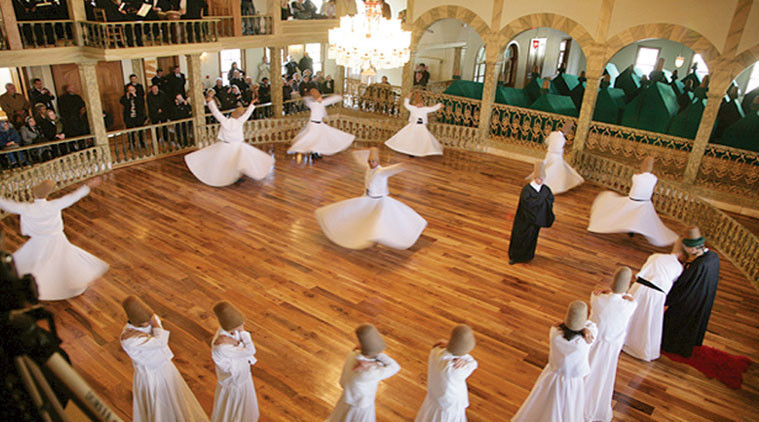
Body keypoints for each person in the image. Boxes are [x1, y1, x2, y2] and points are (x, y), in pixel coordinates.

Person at [0, 178, 108, 300]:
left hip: (38, 241)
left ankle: (43, 284)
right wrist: (87, 187)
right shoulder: (54, 205)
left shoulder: (27, 208)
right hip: (57, 239)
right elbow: (72, 197)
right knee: (62, 259)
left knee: (38, 261)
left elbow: (6, 204)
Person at [315, 147, 427, 250]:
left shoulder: (381, 171)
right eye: (369, 161)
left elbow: (392, 169)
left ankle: (376, 235)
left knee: (378, 220)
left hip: (378, 201)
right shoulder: (368, 168)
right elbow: (361, 161)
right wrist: (359, 152)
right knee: (359, 214)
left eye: (373, 161)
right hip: (367, 198)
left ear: (378, 162)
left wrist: (404, 165)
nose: (371, 163)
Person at [120, 296, 209, 422]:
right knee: (159, 402)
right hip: (151, 374)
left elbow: (156, 324)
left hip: (165, 366)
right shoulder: (129, 339)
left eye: (150, 319)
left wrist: (152, 324)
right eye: (146, 322)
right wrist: (154, 325)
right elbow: (160, 341)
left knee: (176, 396)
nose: (150, 322)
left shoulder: (151, 320)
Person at [512, 301, 596, 422]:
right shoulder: (584, 342)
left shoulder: (555, 332)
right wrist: (585, 329)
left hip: (552, 375)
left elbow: (557, 325)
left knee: (545, 401)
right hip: (572, 381)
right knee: (569, 406)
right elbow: (593, 327)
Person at [185, 90, 274, 187]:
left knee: (224, 163)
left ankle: (227, 177)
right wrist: (252, 104)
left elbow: (215, 112)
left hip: (225, 146)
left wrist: (210, 102)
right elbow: (247, 114)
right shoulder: (240, 121)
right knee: (236, 162)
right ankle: (234, 177)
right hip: (237, 146)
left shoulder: (224, 121)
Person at [584, 267, 637, 422]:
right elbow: (631, 300)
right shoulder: (630, 305)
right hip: (611, 347)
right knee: (603, 373)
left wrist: (605, 292)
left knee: (587, 366)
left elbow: (596, 294)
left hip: (593, 341)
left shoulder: (598, 299)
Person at [587, 156, 678, 247]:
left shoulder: (636, 176)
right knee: (637, 217)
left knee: (628, 215)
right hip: (643, 202)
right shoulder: (653, 178)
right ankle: (633, 228)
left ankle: (632, 228)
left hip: (638, 202)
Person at [662, 227, 720, 357]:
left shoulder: (697, 266)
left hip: (689, 303)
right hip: (703, 298)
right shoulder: (713, 257)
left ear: (692, 249)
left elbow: (682, 287)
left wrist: (666, 299)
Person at [623, 242, 685, 361]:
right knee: (647, 319)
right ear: (682, 255)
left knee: (630, 314)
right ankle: (639, 346)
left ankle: (622, 338)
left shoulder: (655, 256)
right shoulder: (678, 267)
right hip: (656, 294)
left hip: (638, 288)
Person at [326, 324, 401, 422]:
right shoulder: (369, 372)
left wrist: (373, 361)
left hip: (347, 398)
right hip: (361, 406)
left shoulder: (352, 354)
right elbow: (395, 367)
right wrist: (377, 359)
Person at [415, 325, 478, 422]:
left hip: (435, 396)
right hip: (449, 403)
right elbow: (474, 364)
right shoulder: (456, 369)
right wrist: (465, 361)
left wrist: (449, 346)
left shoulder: (436, 351)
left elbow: (439, 343)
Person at [211, 301, 259, 422]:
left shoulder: (229, 333)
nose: (243, 325)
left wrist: (236, 342)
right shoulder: (223, 346)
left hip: (241, 377)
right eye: (240, 324)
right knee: (233, 411)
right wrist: (242, 333)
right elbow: (250, 350)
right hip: (235, 381)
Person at [508, 162, 554, 265]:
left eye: (542, 179)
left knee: (532, 238)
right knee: (520, 237)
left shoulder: (545, 189)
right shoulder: (527, 190)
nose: (541, 181)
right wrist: (541, 200)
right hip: (525, 220)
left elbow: (550, 200)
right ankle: (515, 257)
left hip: (536, 222)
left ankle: (528, 256)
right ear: (535, 178)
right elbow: (527, 205)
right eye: (539, 179)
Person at [287, 89, 354, 158]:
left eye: (320, 97)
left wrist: (338, 97)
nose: (321, 98)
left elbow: (330, 100)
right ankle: (312, 152)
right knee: (312, 139)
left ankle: (315, 152)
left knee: (320, 138)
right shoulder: (313, 104)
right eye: (319, 97)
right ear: (315, 98)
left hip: (319, 125)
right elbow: (307, 100)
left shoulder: (321, 103)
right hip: (314, 125)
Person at [385, 92, 443, 157]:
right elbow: (406, 104)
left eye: (421, 103)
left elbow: (433, 108)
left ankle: (421, 150)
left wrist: (439, 105)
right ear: (415, 103)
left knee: (422, 139)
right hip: (413, 125)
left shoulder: (425, 109)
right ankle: (410, 151)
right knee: (411, 138)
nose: (419, 105)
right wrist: (408, 96)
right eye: (418, 103)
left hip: (421, 126)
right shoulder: (412, 108)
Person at [535, 121, 584, 194]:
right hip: (556, 156)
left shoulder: (553, 134)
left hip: (550, 154)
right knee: (553, 170)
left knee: (551, 169)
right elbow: (557, 148)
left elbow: (547, 141)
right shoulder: (562, 139)